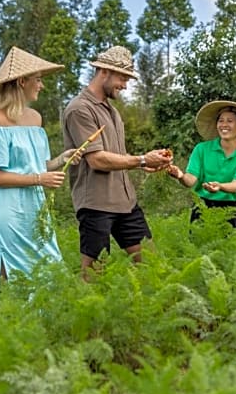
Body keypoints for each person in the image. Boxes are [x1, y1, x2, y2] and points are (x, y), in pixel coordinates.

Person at [61, 45, 173, 279]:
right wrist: (141, 159)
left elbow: (116, 155)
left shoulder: (112, 112)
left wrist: (147, 163)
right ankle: (88, 315)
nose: (124, 84)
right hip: (96, 205)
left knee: (152, 264)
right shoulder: (79, 109)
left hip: (126, 203)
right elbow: (97, 160)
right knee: (94, 275)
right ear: (104, 71)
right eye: (122, 77)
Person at [0, 46, 79, 287]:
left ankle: (49, 324)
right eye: (38, 80)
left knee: (50, 271)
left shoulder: (35, 118)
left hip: (34, 210)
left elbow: (39, 165)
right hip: (7, 211)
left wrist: (62, 159)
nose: (41, 85)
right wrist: (38, 179)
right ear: (22, 81)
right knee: (11, 283)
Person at [167, 100, 236, 229]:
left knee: (230, 248)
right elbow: (191, 180)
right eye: (221, 120)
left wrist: (220, 186)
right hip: (202, 208)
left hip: (231, 211)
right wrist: (180, 175)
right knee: (199, 247)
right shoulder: (202, 149)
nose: (224, 125)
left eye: (230, 121)